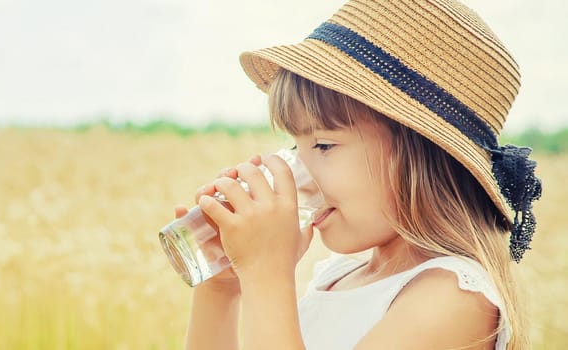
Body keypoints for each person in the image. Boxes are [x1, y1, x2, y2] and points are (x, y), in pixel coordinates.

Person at [173, 0, 543, 349]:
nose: (298, 173)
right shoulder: (340, 277)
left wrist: (266, 274)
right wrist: (223, 289)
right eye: (294, 147)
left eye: (323, 146)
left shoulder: (453, 298)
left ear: (417, 155)